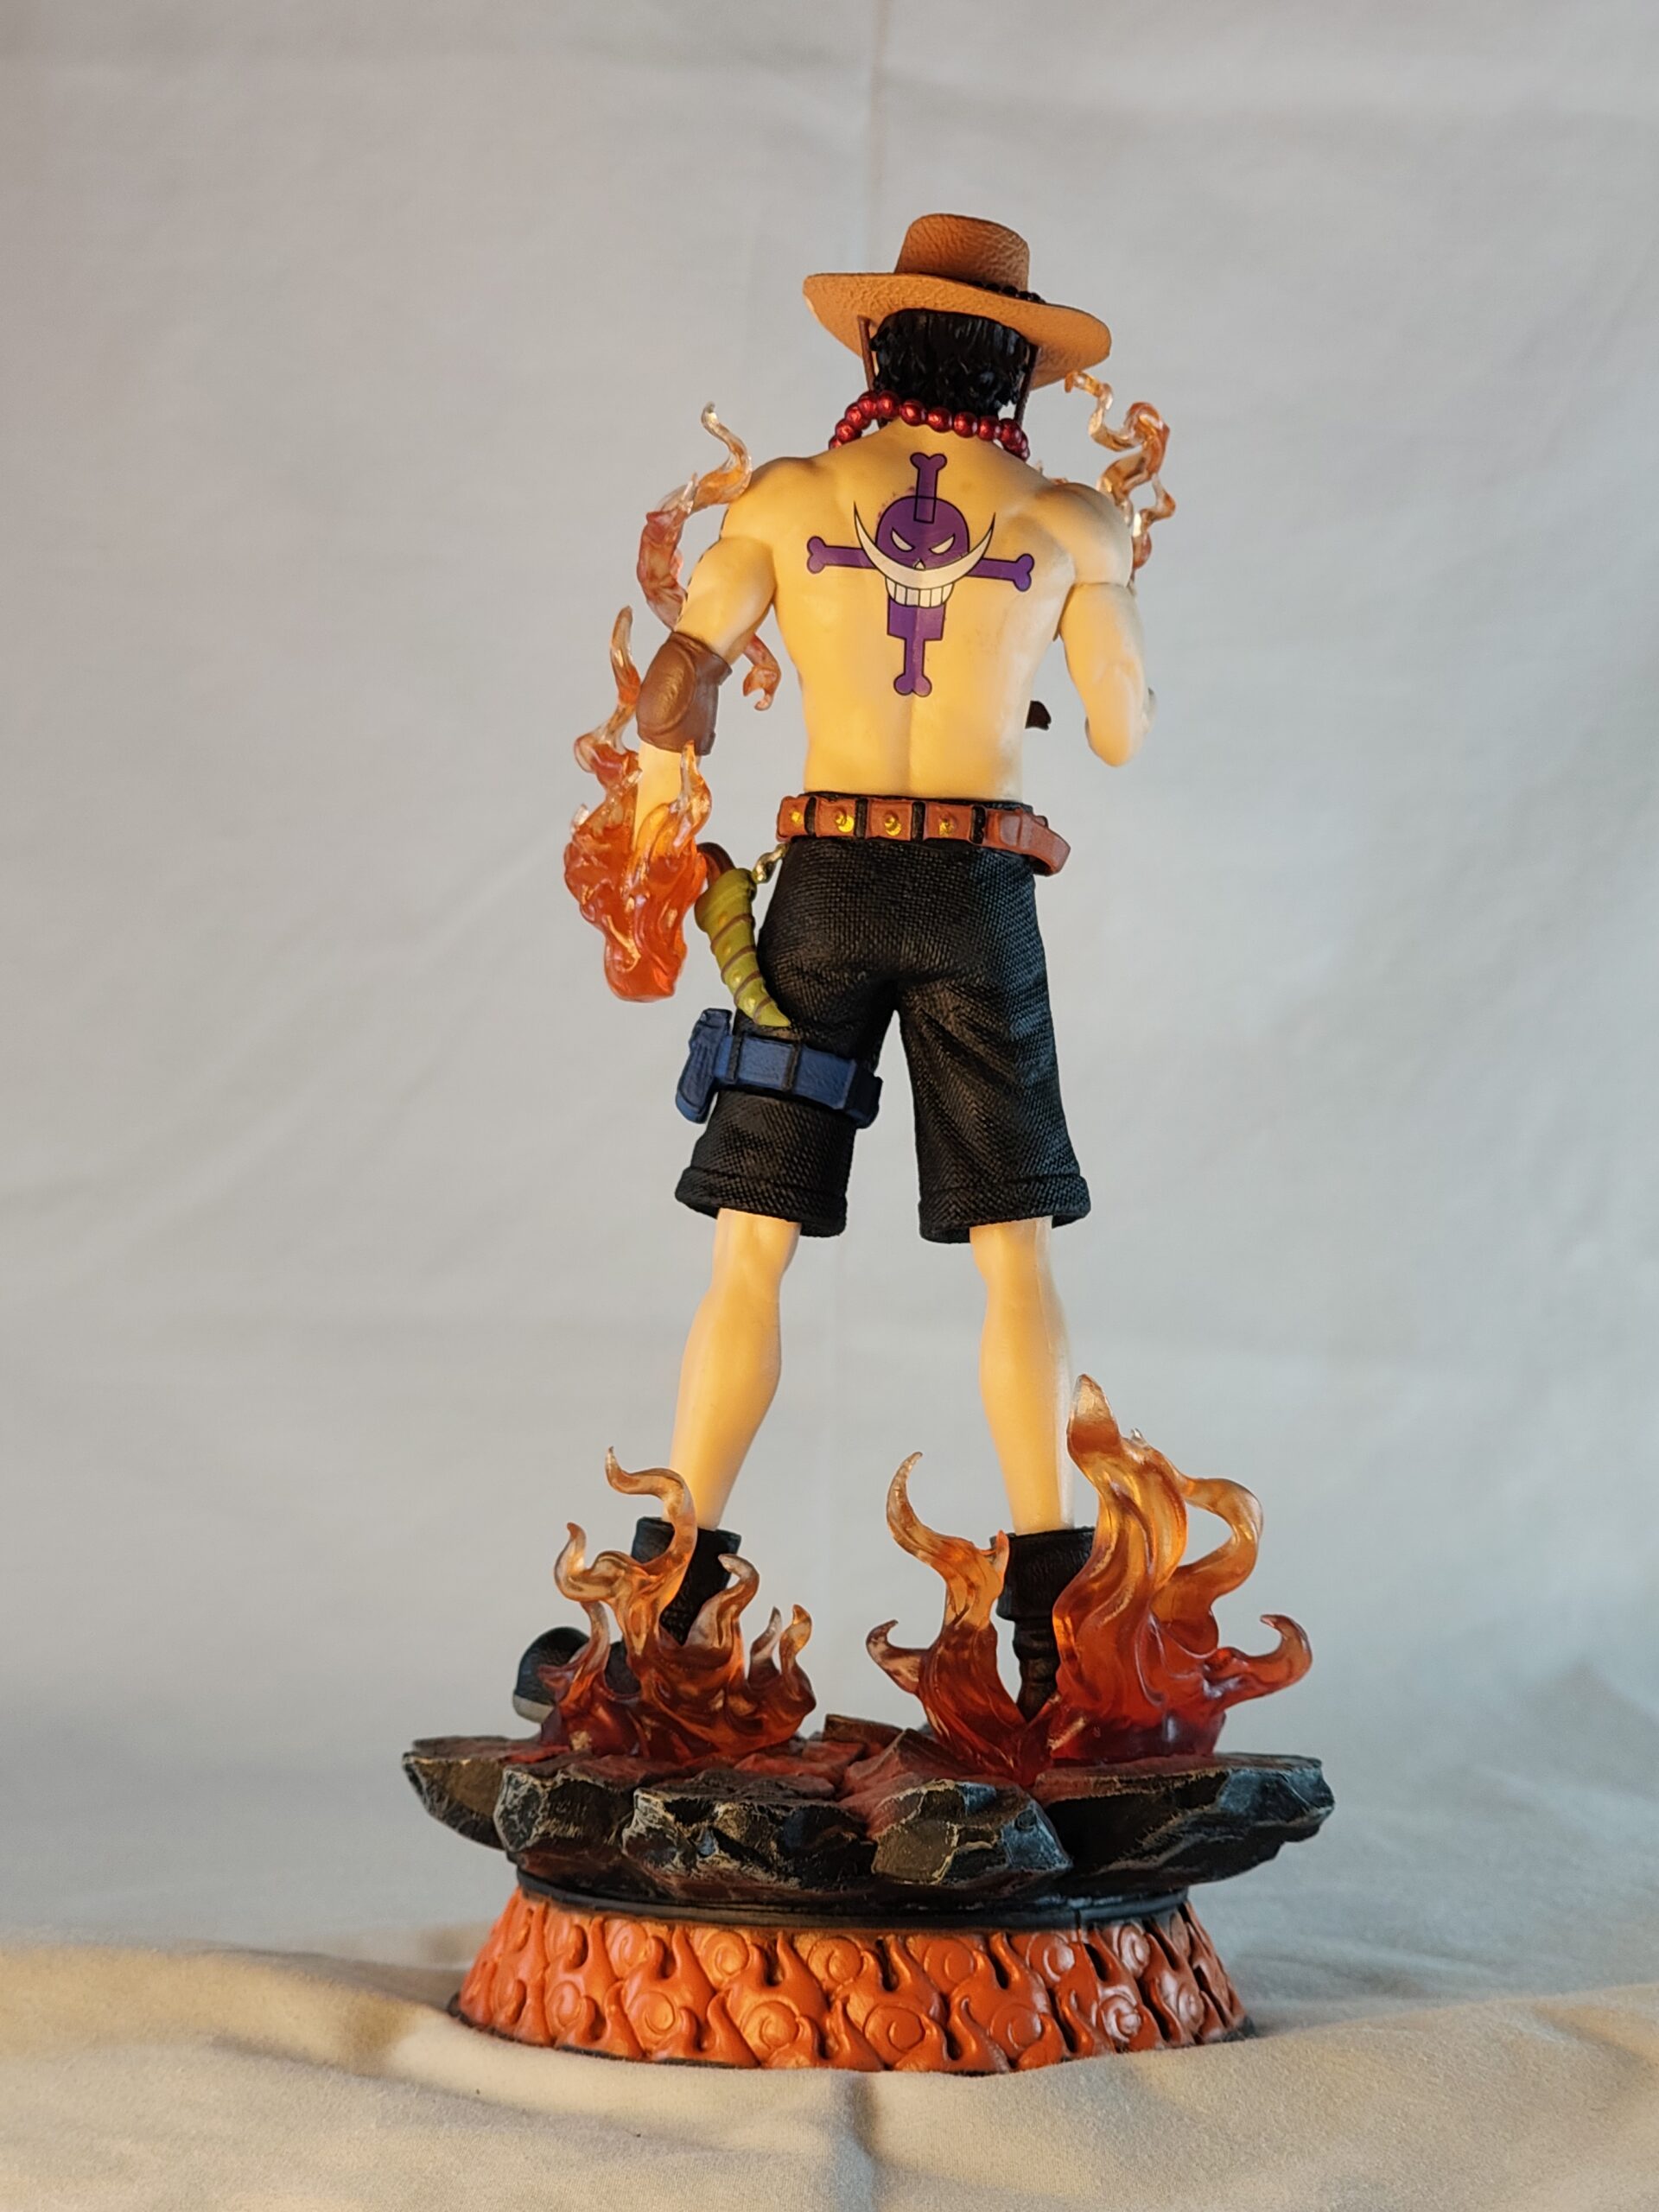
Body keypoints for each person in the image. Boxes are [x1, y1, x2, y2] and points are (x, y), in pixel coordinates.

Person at [518, 215, 1153, 1722]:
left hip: (822, 896)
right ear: (1016, 368)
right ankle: (1053, 1634)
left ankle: (668, 1603)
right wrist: (1099, 594)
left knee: (751, 1242)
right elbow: (1122, 733)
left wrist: (660, 852)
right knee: (1014, 1251)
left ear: (880, 346)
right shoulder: (1070, 521)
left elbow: (675, 692)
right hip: (977, 896)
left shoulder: (792, 496)